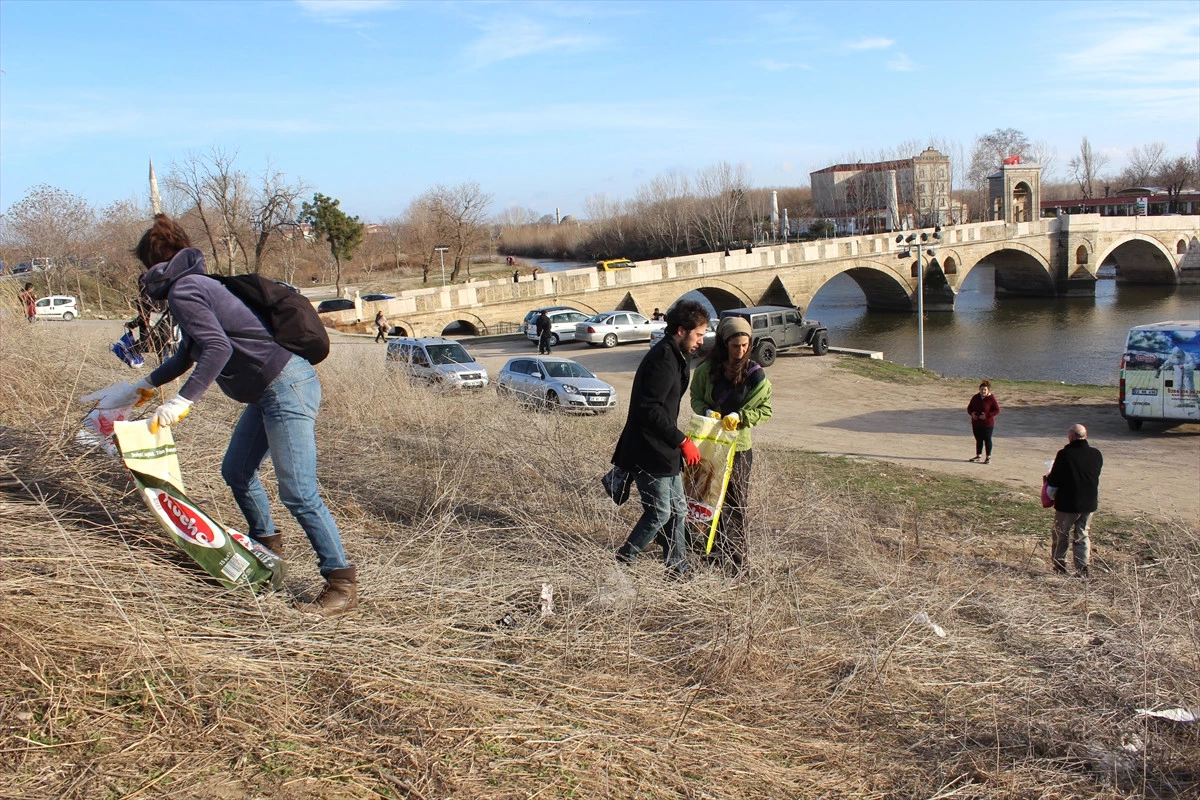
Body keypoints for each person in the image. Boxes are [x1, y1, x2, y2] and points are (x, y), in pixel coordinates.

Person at [81, 215, 358, 616]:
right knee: (236, 472)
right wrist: (141, 386)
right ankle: (265, 548)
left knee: (298, 490)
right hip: (269, 391)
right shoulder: (195, 283)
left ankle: (341, 584)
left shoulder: (186, 290)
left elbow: (216, 349)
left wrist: (182, 401)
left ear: (151, 265)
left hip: (285, 386)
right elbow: (189, 352)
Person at [613, 300, 710, 578]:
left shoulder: (676, 355)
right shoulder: (663, 359)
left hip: (663, 448)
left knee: (678, 509)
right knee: (660, 513)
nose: (701, 342)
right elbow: (649, 409)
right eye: (698, 335)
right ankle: (622, 562)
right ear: (682, 330)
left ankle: (678, 568)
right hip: (647, 450)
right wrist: (682, 440)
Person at [689, 316, 772, 574]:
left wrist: (742, 417)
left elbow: (765, 409)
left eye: (745, 345)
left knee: (735, 502)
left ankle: (735, 558)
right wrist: (706, 411)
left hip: (739, 449)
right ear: (724, 345)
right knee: (706, 496)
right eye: (735, 346)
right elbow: (695, 398)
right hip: (711, 446)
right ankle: (705, 551)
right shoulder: (706, 371)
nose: (740, 351)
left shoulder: (755, 375)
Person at [1045, 424, 1103, 579]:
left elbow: (1054, 480)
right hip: (1089, 503)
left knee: (1061, 534)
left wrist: (1048, 476)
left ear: (1071, 437)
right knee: (1082, 534)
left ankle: (1059, 566)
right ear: (1085, 436)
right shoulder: (1096, 454)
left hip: (1068, 503)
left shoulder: (1065, 455)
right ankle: (1083, 569)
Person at [967, 379, 1000, 463]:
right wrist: (972, 414)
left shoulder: (991, 398)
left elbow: (997, 410)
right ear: (979, 389)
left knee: (987, 439)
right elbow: (969, 408)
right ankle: (978, 456)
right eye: (981, 389)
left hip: (987, 424)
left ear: (988, 390)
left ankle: (988, 457)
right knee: (978, 439)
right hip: (976, 423)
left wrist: (987, 416)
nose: (983, 391)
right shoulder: (975, 397)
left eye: (985, 389)